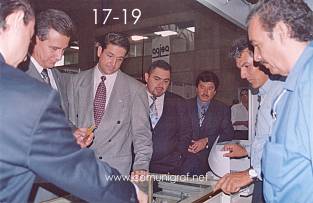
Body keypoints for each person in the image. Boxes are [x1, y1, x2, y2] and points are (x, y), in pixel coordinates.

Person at [0, 1, 146, 202]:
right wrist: (131, 194)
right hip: (39, 183)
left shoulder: (58, 77)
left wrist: (70, 131)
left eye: (64, 49)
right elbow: (66, 159)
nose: (60, 56)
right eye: (30, 34)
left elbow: (53, 122)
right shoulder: (27, 90)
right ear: (16, 19)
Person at [247, 0, 313, 202]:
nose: (256, 58)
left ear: (282, 31)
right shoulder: (292, 87)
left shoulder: (309, 83)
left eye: (257, 46)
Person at [67, 32, 153, 176]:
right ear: (99, 51)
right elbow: (69, 123)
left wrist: (141, 166)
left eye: (119, 59)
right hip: (82, 166)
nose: (113, 64)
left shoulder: (136, 89)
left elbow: (142, 134)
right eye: (110, 56)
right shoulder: (76, 82)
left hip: (116, 170)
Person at [214, 37, 284, 203]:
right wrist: (246, 149)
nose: (243, 75)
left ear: (262, 57)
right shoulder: (264, 94)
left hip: (276, 183)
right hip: (263, 179)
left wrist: (249, 174)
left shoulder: (282, 93)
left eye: (246, 66)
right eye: (239, 68)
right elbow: (268, 140)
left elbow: (287, 150)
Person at [181, 71, 234, 175]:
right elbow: (175, 132)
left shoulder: (223, 109)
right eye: (202, 87)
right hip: (184, 162)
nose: (205, 91)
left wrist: (206, 141)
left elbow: (228, 134)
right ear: (196, 89)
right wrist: (184, 144)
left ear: (215, 92)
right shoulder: (183, 106)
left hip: (210, 165)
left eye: (210, 88)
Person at [144, 60, 192, 175]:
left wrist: (178, 156)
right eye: (156, 79)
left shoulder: (178, 103)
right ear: (146, 77)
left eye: (166, 81)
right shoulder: (134, 99)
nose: (161, 85)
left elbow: (186, 133)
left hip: (169, 168)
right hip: (137, 167)